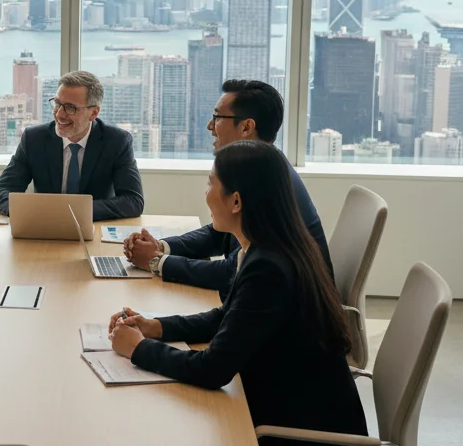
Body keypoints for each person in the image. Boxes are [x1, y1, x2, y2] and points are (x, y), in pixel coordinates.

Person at [108, 140, 368, 446]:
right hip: (299, 419)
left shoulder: (269, 265)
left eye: (211, 183)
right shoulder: (272, 249)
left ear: (237, 201)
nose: (206, 191)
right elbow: (230, 318)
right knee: (172, 425)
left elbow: (214, 369)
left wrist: (136, 350)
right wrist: (157, 326)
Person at [123, 80, 331, 295]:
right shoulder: (260, 166)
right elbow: (219, 236)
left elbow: (234, 272)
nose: (210, 127)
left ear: (246, 127)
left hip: (290, 312)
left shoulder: (267, 180)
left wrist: (157, 262)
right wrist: (160, 247)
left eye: (217, 118)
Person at [0, 70, 144, 221]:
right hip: (44, 228)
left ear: (94, 113)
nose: (59, 114)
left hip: (93, 228)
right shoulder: (34, 139)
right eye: (57, 104)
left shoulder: (117, 141)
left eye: (70, 108)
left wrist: (74, 212)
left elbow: (133, 201)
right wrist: (28, 212)